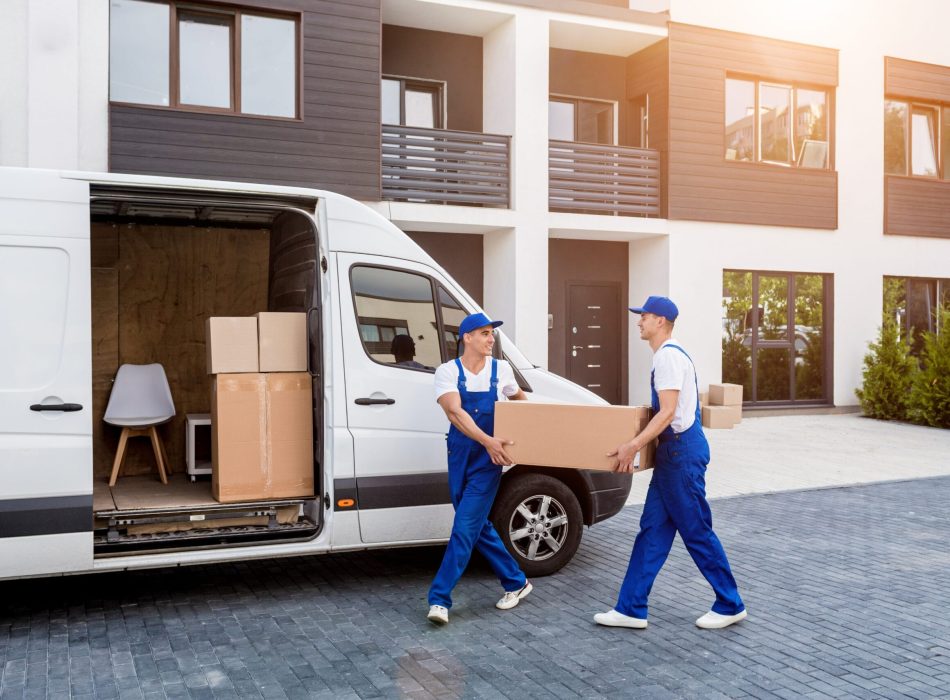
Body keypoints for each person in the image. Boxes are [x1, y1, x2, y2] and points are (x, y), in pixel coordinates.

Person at [595, 296, 747, 630]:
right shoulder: (670, 356)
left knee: (696, 530)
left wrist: (632, 445)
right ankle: (631, 607)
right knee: (652, 530)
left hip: (681, 454)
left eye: (644, 317)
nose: (639, 322)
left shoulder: (667, 357)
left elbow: (667, 412)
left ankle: (730, 602)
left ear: (660, 321)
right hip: (674, 455)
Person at [426, 312, 532, 625]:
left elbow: (524, 409)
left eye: (492, 335)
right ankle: (516, 582)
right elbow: (455, 413)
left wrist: (521, 444)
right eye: (484, 334)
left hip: (490, 460)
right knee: (475, 524)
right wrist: (487, 439)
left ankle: (439, 598)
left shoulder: (502, 370)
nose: (491, 340)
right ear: (467, 338)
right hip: (461, 454)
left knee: (463, 527)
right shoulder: (446, 372)